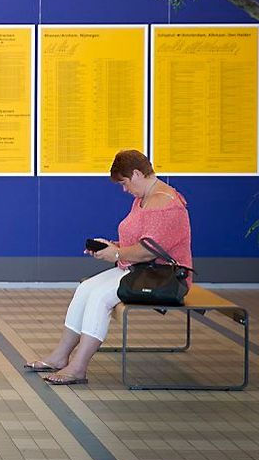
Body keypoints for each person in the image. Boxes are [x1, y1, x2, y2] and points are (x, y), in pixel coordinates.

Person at [24, 149, 192, 386]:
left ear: (136, 173)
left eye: (124, 183)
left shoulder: (165, 203)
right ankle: (60, 356)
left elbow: (149, 250)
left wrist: (116, 253)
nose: (125, 190)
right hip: (141, 271)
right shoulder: (143, 199)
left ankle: (79, 367)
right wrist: (112, 247)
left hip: (164, 278)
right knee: (86, 289)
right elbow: (141, 243)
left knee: (100, 297)